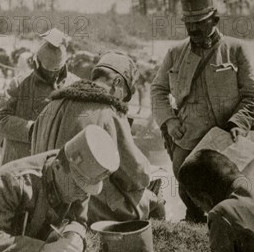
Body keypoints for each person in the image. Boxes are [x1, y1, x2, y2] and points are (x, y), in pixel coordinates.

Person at [150, 0, 254, 223]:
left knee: (234, 191)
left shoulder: (237, 50)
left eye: (200, 22)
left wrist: (237, 124)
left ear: (215, 19)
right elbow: (158, 89)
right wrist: (169, 121)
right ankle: (195, 219)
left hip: (228, 137)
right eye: (188, 23)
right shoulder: (174, 53)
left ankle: (232, 224)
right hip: (189, 138)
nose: (193, 29)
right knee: (186, 183)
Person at [31, 51, 166, 223]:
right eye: (124, 94)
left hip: (42, 204)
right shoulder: (107, 111)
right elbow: (136, 174)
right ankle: (157, 232)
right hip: (86, 207)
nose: (123, 101)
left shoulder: (50, 106)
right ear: (117, 82)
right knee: (154, 190)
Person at [0, 28, 79, 164]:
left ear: (63, 66)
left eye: (57, 71)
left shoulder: (75, 86)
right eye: (48, 71)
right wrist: (34, 129)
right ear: (37, 63)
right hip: (19, 162)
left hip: (55, 164)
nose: (54, 76)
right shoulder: (19, 84)